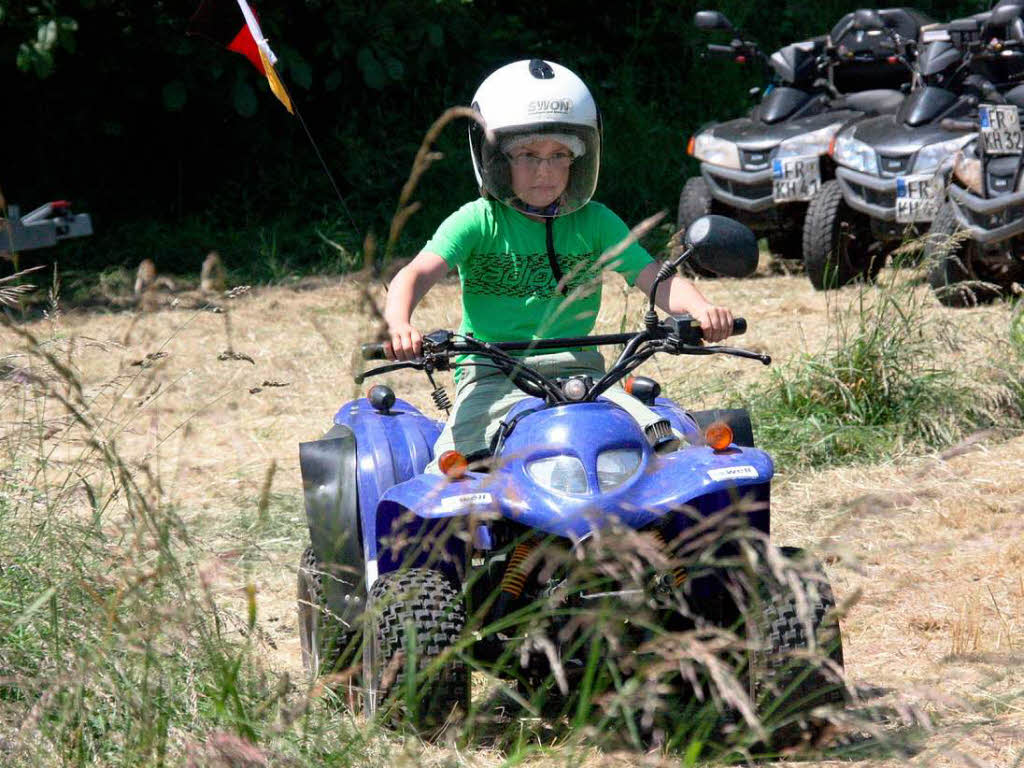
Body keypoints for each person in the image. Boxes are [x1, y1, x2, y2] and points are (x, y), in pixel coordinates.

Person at [382, 59, 734, 468]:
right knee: (456, 470)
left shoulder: (596, 222)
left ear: (578, 160)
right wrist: (399, 324)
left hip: (584, 376)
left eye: (559, 155)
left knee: (665, 447)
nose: (544, 170)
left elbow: (654, 276)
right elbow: (416, 274)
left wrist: (701, 309)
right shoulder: (478, 220)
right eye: (527, 155)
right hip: (491, 376)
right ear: (495, 159)